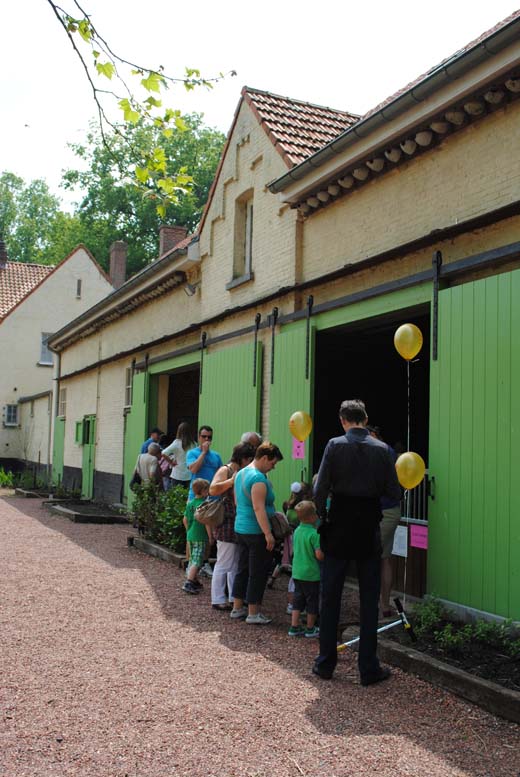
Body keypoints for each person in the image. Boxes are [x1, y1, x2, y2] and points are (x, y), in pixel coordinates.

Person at [313, 399, 401, 684]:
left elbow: (320, 487)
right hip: (368, 525)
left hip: (339, 523)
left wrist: (323, 517)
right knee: (369, 597)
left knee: (331, 597)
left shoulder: (334, 445)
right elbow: (394, 491)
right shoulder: (383, 450)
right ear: (365, 418)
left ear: (343, 420)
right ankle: (368, 667)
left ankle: (326, 663)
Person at [230, 441, 284, 625]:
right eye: (272, 463)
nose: (273, 467)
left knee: (242, 568)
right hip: (256, 531)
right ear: (263, 458)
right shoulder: (259, 479)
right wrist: (268, 533)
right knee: (257, 572)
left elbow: (238, 502)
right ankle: (253, 612)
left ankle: (237, 608)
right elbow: (258, 508)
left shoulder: (241, 473)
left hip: (241, 528)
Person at [209, 442, 255, 610]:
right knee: (224, 562)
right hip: (226, 522)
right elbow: (212, 489)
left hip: (236, 522)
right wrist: (230, 481)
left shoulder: (239, 471)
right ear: (244, 459)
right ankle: (218, 598)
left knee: (234, 563)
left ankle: (232, 598)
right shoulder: (226, 470)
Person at [367, 426, 401, 617]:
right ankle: (384, 605)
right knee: (384, 558)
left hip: (382, 511)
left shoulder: (379, 451)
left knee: (374, 556)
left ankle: (377, 604)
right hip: (388, 510)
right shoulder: (388, 451)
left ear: (374, 435)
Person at [186, 425, 223, 577]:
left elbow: (221, 474)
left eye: (209, 437)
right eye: (204, 436)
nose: (207, 439)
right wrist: (203, 453)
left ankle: (205, 562)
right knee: (192, 531)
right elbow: (193, 469)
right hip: (195, 497)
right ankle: (191, 563)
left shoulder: (216, 456)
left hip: (212, 499)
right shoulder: (192, 453)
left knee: (209, 534)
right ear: (199, 437)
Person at [288, 500, 324, 638]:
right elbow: (319, 555)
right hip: (311, 573)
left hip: (297, 572)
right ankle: (310, 628)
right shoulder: (315, 534)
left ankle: (294, 626)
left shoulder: (297, 531)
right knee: (312, 601)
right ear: (311, 517)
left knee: (298, 599)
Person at [182, 478, 211, 594]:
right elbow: (207, 522)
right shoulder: (205, 504)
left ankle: (194, 580)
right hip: (200, 536)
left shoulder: (191, 504)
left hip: (191, 535)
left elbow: (185, 519)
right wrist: (211, 536)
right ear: (203, 491)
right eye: (207, 490)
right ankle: (189, 582)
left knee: (193, 558)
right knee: (198, 560)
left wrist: (189, 531)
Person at [161, 422, 196, 488]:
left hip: (177, 474)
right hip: (189, 474)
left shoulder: (176, 443)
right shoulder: (194, 444)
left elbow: (163, 453)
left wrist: (171, 462)